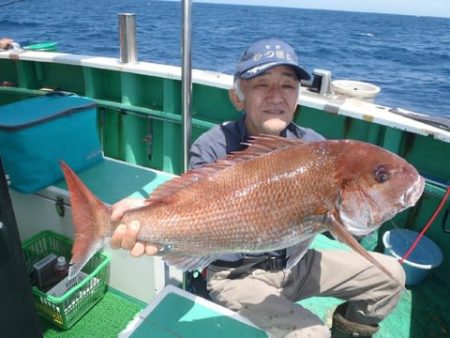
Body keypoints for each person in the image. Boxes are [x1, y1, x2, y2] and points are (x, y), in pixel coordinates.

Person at [110, 38, 405, 338]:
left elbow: (345, 228)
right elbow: (188, 209)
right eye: (262, 85)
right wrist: (146, 219)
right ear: (238, 97)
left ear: (297, 98)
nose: (276, 96)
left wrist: (366, 210)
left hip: (296, 264)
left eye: (287, 86)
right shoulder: (212, 146)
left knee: (391, 277)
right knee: (313, 334)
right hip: (235, 275)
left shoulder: (315, 146)